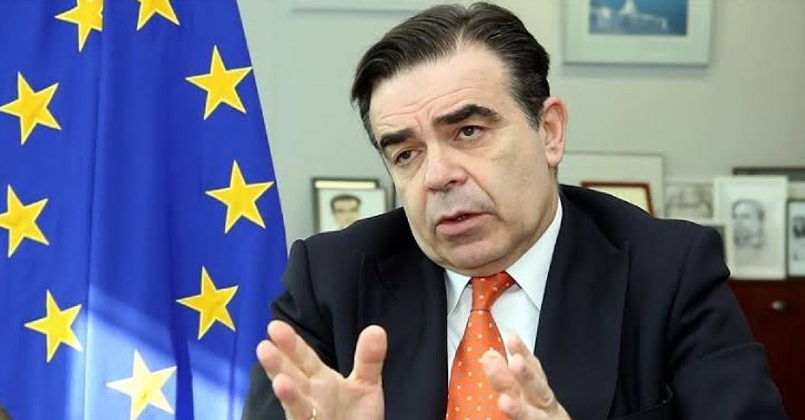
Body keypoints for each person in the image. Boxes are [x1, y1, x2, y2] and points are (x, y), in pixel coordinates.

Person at [243, 3, 786, 419]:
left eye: (469, 131)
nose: (438, 175)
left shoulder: (669, 271)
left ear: (549, 132)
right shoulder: (329, 279)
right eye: (406, 153)